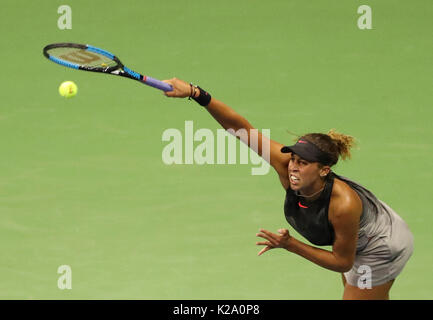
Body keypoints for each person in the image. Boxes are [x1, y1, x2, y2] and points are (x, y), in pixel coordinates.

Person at [162, 78, 414, 300]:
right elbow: (241, 130)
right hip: (358, 238)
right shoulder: (285, 164)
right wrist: (197, 93)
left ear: (324, 170)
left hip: (378, 249)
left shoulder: (343, 205)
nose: (294, 167)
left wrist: (291, 244)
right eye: (294, 159)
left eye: (303, 163)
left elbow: (342, 261)